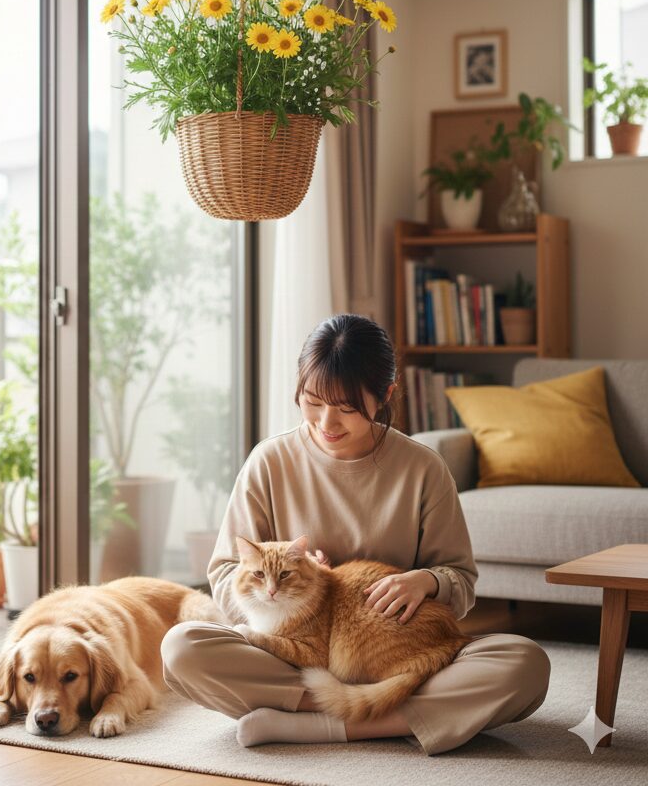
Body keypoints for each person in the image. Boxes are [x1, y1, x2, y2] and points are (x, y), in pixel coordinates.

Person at [160, 313, 550, 755]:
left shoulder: (423, 469)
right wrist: (295, 602)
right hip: (289, 651)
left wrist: (427, 581)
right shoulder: (268, 462)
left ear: (384, 396)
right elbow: (226, 572)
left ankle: (315, 722)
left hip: (391, 657)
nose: (327, 422)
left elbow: (460, 580)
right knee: (182, 648)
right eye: (312, 401)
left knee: (524, 664)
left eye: (346, 408)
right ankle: (395, 718)